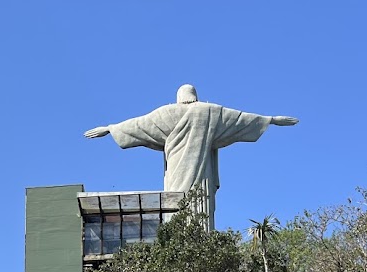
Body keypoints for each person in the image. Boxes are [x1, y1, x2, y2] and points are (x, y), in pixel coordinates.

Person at [85, 84, 298, 226]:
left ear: (178, 98)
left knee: (176, 212)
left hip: (176, 177)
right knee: (199, 213)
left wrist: (111, 128)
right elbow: (240, 119)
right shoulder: (210, 112)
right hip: (201, 177)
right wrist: (269, 119)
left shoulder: (166, 113)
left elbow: (139, 124)